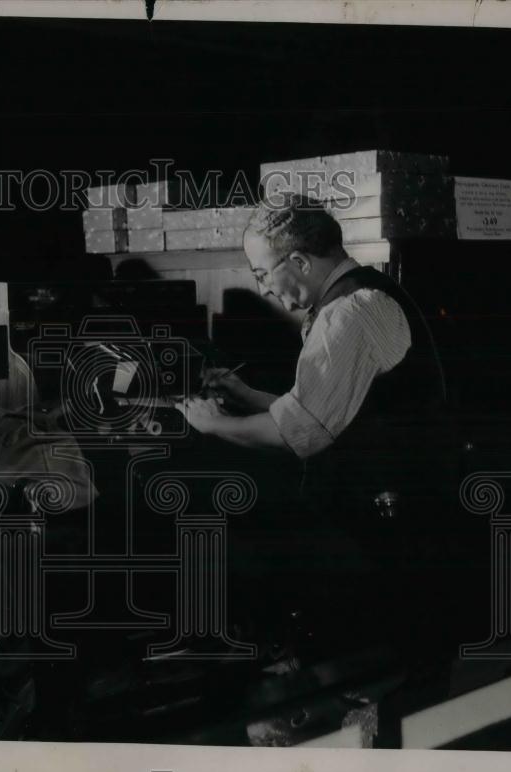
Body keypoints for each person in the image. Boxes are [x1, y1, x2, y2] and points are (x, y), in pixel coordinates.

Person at [175, 193, 458, 654]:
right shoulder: (364, 295)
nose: (264, 289)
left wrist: (211, 425)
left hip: (385, 527)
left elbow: (298, 434)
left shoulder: (350, 312)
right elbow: (325, 410)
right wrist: (246, 397)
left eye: (263, 274)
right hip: (400, 511)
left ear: (301, 262)